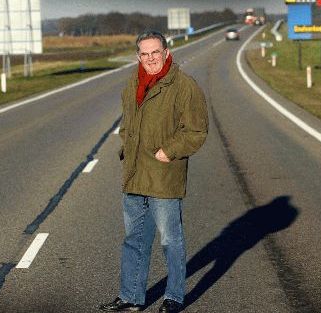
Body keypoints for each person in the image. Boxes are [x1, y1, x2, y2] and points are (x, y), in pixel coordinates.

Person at [99, 30, 208, 313]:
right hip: (134, 175)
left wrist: (169, 151)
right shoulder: (132, 83)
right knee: (134, 240)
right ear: (138, 56)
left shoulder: (184, 86)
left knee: (171, 240)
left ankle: (174, 297)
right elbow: (127, 125)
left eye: (155, 52)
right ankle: (131, 296)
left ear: (166, 52)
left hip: (163, 175)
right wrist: (125, 149)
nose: (150, 59)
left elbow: (196, 131)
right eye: (144, 54)